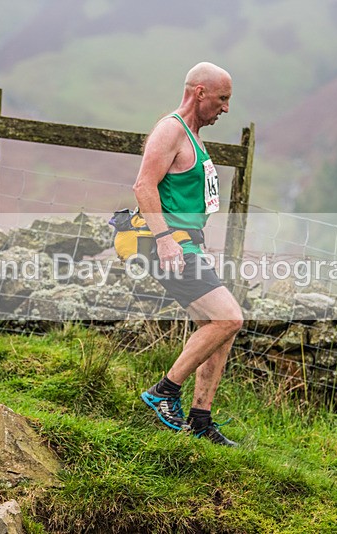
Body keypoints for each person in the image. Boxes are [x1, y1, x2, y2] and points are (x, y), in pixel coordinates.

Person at [133, 62, 244, 447]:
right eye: (222, 98)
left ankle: (200, 420)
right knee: (230, 318)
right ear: (200, 93)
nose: (226, 108)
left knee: (218, 328)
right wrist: (166, 240)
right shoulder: (171, 129)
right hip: (165, 242)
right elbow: (143, 186)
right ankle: (164, 391)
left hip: (186, 242)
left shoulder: (193, 135)